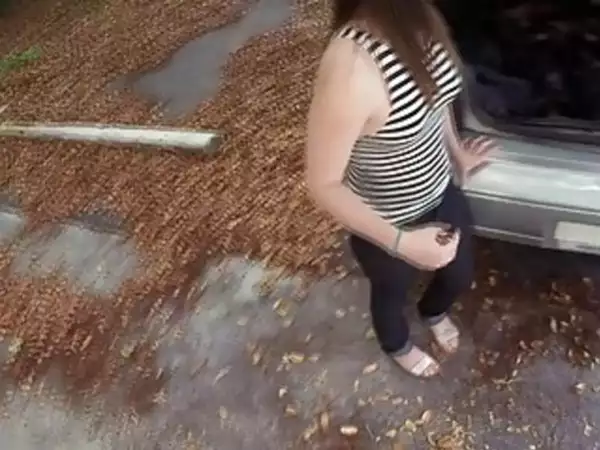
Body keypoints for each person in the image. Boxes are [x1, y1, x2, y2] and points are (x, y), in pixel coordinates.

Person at [305, 0, 496, 377]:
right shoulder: (352, 69)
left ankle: (433, 312)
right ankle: (397, 345)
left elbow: (435, 98)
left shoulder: (423, 17)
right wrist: (401, 243)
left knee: (459, 275)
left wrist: (456, 152)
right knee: (390, 294)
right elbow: (322, 184)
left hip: (441, 191)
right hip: (386, 220)